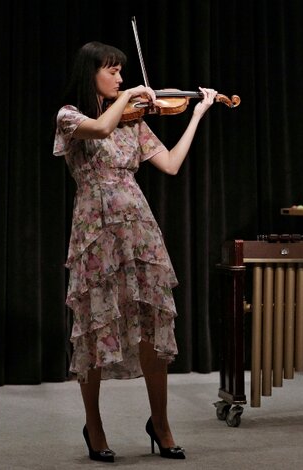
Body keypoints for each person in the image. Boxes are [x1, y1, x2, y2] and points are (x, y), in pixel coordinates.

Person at [53, 41, 217, 461]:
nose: (122, 79)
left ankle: (160, 424)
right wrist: (128, 97)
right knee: (93, 328)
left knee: (151, 325)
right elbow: (102, 128)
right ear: (91, 73)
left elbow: (171, 164)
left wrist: (196, 114)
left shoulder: (135, 124)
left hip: (139, 230)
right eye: (113, 72)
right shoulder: (70, 117)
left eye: (123, 73)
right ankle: (96, 426)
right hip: (96, 231)